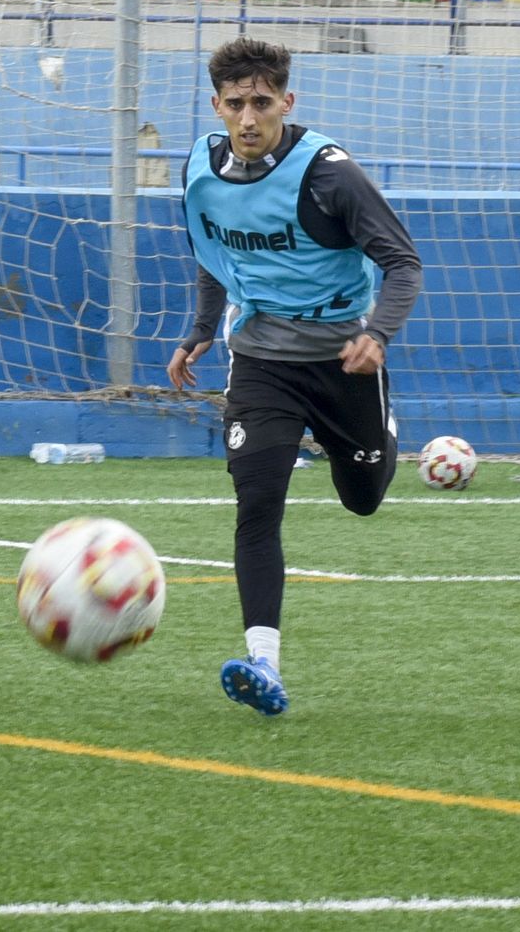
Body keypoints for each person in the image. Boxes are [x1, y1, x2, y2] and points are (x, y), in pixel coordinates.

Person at [166, 36, 422, 717]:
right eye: (235, 104)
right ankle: (264, 665)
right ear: (216, 106)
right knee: (257, 504)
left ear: (287, 100)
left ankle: (381, 429)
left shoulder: (331, 174)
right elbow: (213, 252)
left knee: (362, 498)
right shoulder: (200, 168)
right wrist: (200, 329)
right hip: (260, 360)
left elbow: (403, 264)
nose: (248, 118)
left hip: (342, 359)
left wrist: (377, 335)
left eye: (262, 102)